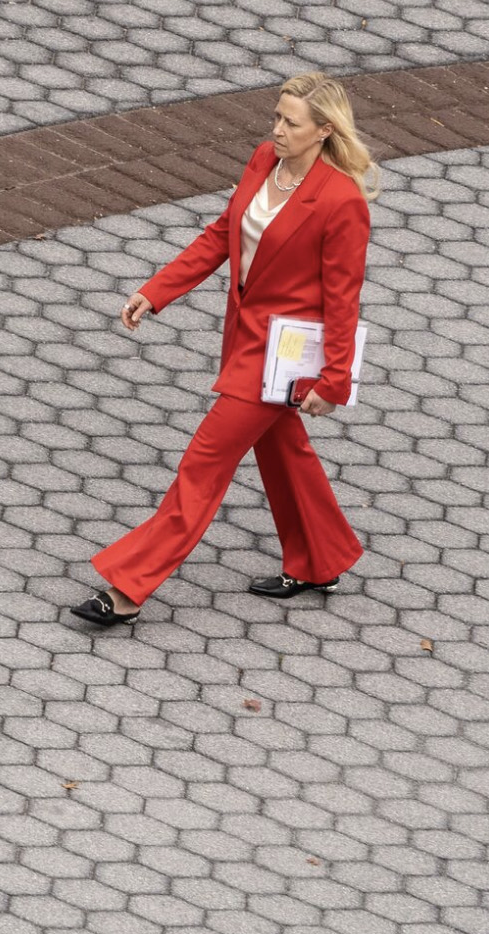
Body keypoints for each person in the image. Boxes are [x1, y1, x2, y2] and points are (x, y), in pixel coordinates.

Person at [70, 72, 379, 627]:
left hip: (279, 356)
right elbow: (222, 234)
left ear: (324, 131)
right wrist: (157, 290)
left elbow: (342, 302)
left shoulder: (342, 202)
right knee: (283, 449)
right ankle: (321, 558)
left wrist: (333, 382)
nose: (277, 129)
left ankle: (128, 587)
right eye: (277, 116)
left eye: (291, 123)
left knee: (203, 465)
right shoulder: (265, 160)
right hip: (246, 338)